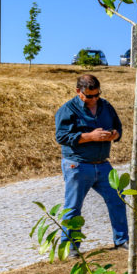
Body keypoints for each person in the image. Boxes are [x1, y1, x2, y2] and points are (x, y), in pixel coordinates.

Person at [53, 74, 128, 257]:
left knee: (118, 199)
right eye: (89, 96)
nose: (94, 99)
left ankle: (122, 240)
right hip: (78, 166)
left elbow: (119, 128)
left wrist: (114, 135)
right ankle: (71, 247)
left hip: (103, 166)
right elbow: (61, 137)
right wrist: (90, 136)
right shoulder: (68, 110)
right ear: (78, 91)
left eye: (97, 95)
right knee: (73, 207)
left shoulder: (106, 106)